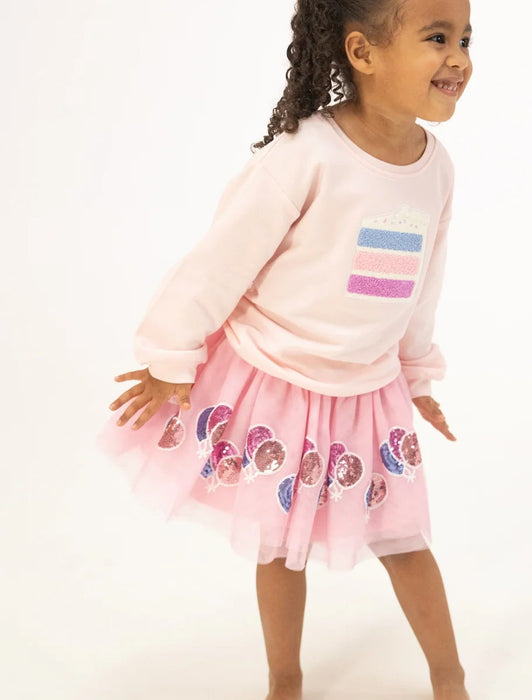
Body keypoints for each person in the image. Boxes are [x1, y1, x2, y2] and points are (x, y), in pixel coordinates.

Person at [97, 0, 474, 697]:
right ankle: (285, 679)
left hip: (366, 390)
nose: (458, 57)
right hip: (279, 378)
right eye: (436, 37)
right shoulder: (308, 154)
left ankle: (450, 678)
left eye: (464, 38)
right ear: (363, 53)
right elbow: (220, 260)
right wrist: (171, 355)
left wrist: (417, 373)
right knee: (279, 543)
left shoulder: (436, 169)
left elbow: (421, 281)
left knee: (404, 539)